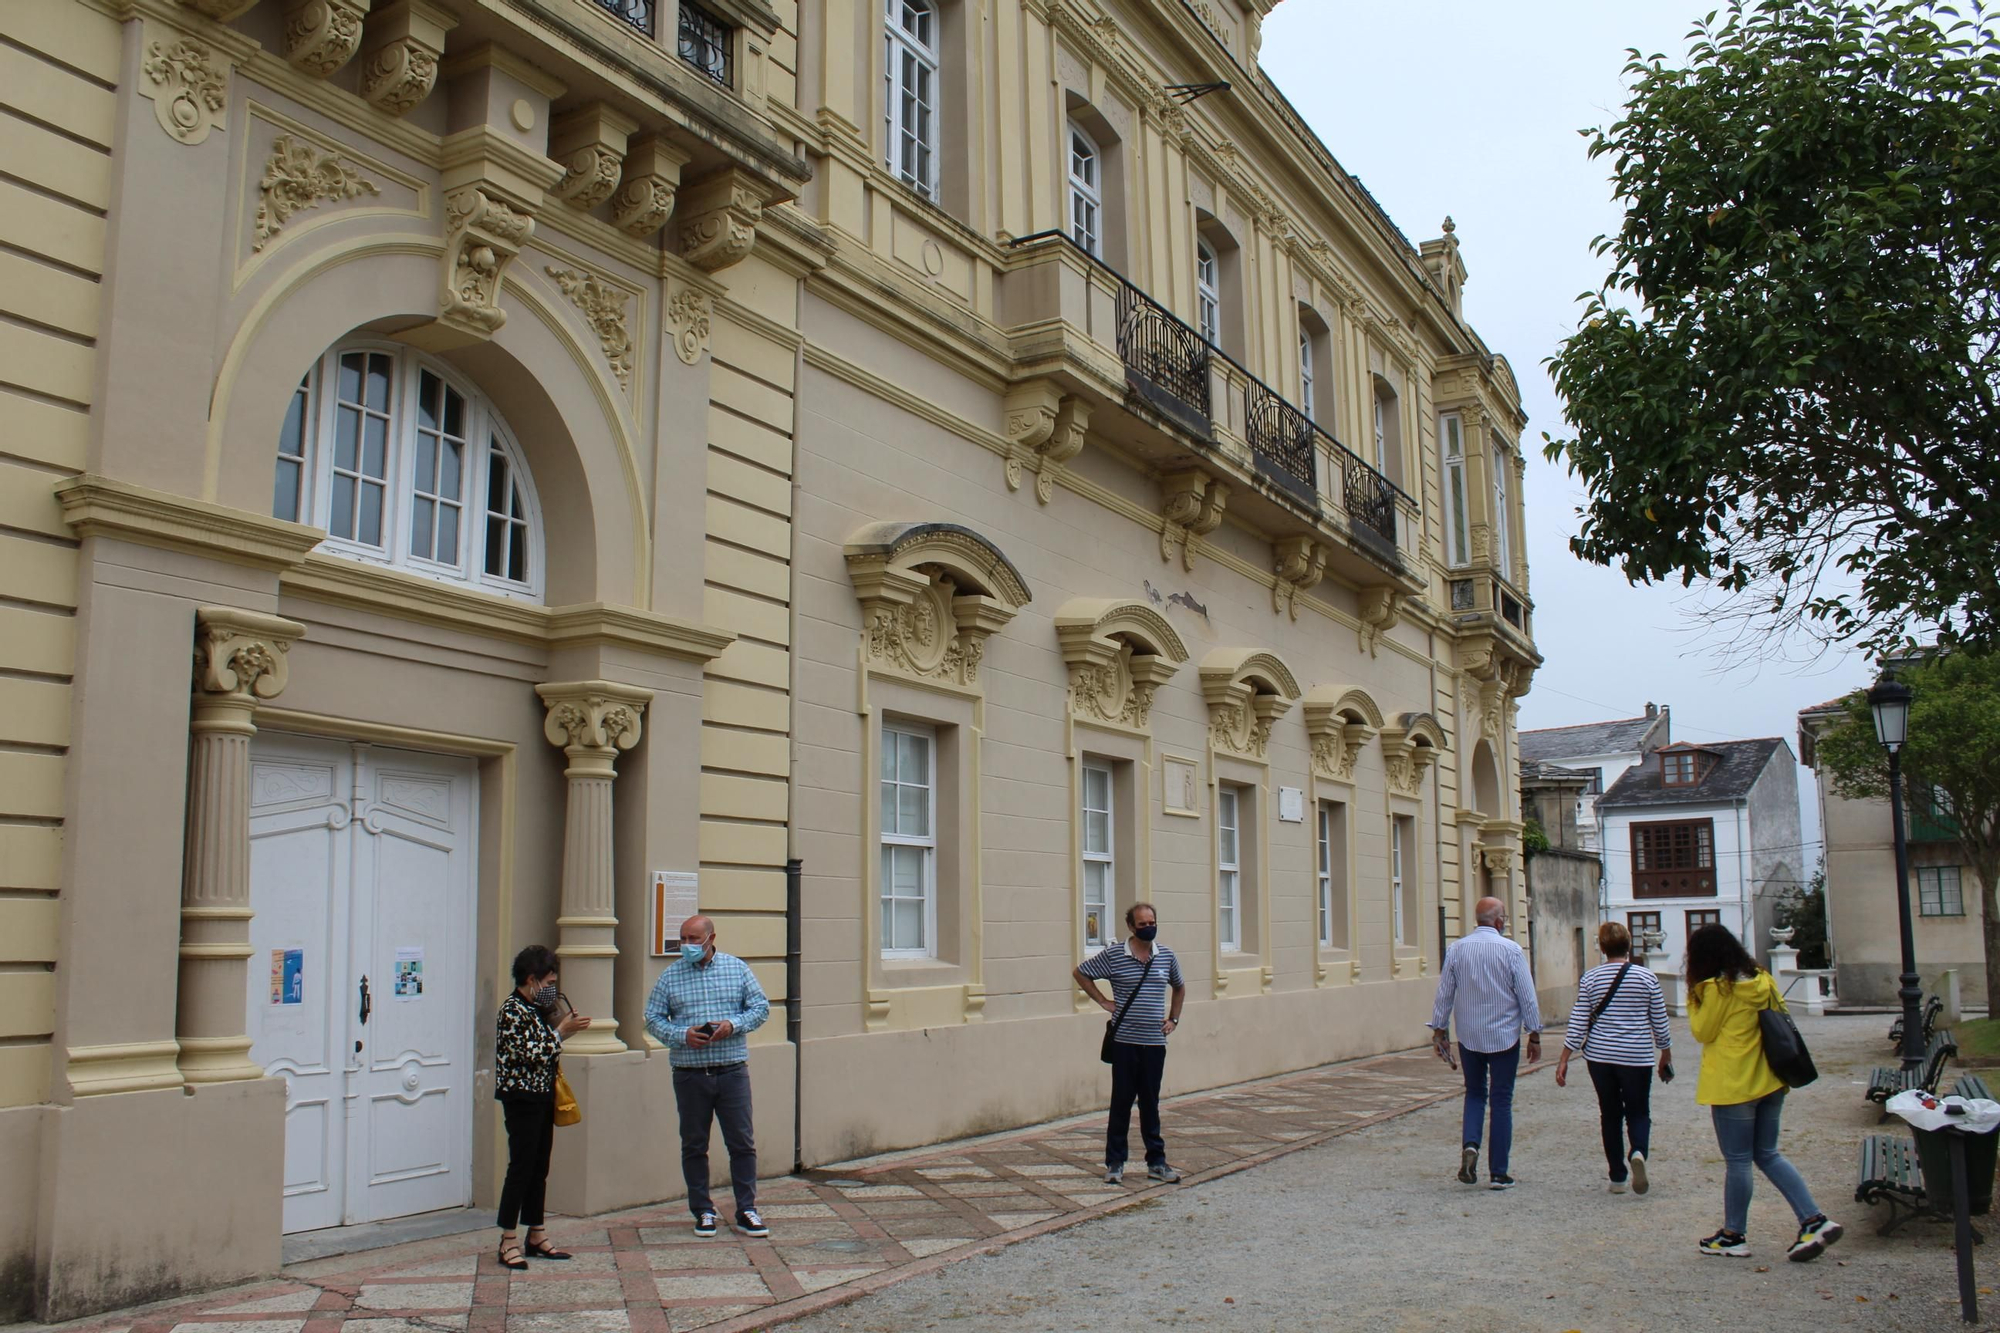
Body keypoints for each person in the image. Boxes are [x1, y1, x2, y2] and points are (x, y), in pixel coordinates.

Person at [1685, 923, 1843, 1261]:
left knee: (1739, 1160)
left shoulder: (1714, 989)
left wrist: (1694, 995)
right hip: (1771, 1079)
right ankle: (1813, 1220)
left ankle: (1733, 1234)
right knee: (1768, 1153)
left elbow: (1702, 1031)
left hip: (1735, 1084)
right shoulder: (1762, 980)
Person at [645, 914, 772, 1239]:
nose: (687, 945)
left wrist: (732, 1025)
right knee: (694, 1145)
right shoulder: (670, 976)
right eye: (682, 939)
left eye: (693, 939)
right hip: (690, 1074)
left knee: (742, 1143)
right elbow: (652, 1018)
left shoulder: (737, 968)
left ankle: (747, 1209)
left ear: (711, 938)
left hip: (731, 1071)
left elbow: (760, 1008)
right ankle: (702, 1210)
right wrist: (681, 1035)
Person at [1429, 896, 1542, 1190]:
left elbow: (1444, 993)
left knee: (1475, 1093)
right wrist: (1535, 1033)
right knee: (1501, 1099)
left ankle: (1471, 1145)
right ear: (1500, 921)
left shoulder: (1457, 949)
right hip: (1504, 1036)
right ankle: (1499, 1172)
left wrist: (1439, 1030)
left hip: (1469, 1036)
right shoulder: (1512, 951)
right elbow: (1526, 996)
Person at [1073, 902, 1187, 1185]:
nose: (1148, 928)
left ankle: (1156, 1162)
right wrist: (1103, 1001)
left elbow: (1179, 986)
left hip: (1154, 1043)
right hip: (1124, 1041)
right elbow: (1081, 973)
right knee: (1121, 1103)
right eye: (1142, 924)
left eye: (1152, 922)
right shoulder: (1114, 955)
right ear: (1131, 927)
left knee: (1150, 1103)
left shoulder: (1166, 956)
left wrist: (1173, 1019)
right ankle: (1115, 1162)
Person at [1556, 921, 1673, 1194]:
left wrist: (1564, 1058)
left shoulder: (1591, 979)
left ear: (1603, 947)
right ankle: (1639, 1152)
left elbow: (1578, 1021)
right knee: (1638, 1110)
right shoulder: (1647, 978)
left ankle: (1617, 1176)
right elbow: (1660, 1021)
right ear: (1629, 944)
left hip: (1600, 1056)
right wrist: (1665, 1054)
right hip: (1637, 1055)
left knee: (1609, 1114)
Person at [494, 944, 591, 1270]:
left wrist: (563, 1028)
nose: (551, 989)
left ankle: (536, 1232)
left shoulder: (535, 1009)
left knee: (539, 1167)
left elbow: (545, 1048)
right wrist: (562, 1032)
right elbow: (528, 1052)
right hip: (520, 1097)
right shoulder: (512, 1010)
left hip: (542, 1095)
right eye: (548, 983)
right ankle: (507, 1239)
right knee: (520, 1168)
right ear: (532, 979)